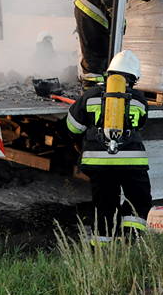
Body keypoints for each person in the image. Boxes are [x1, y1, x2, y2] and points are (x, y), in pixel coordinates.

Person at [64, 50, 152, 245]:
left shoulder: (90, 96)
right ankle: (130, 241)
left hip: (97, 162)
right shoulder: (139, 99)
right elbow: (141, 124)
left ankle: (101, 248)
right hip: (132, 163)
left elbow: (72, 127)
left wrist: (83, 139)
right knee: (138, 200)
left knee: (104, 205)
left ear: (109, 73)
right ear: (134, 77)